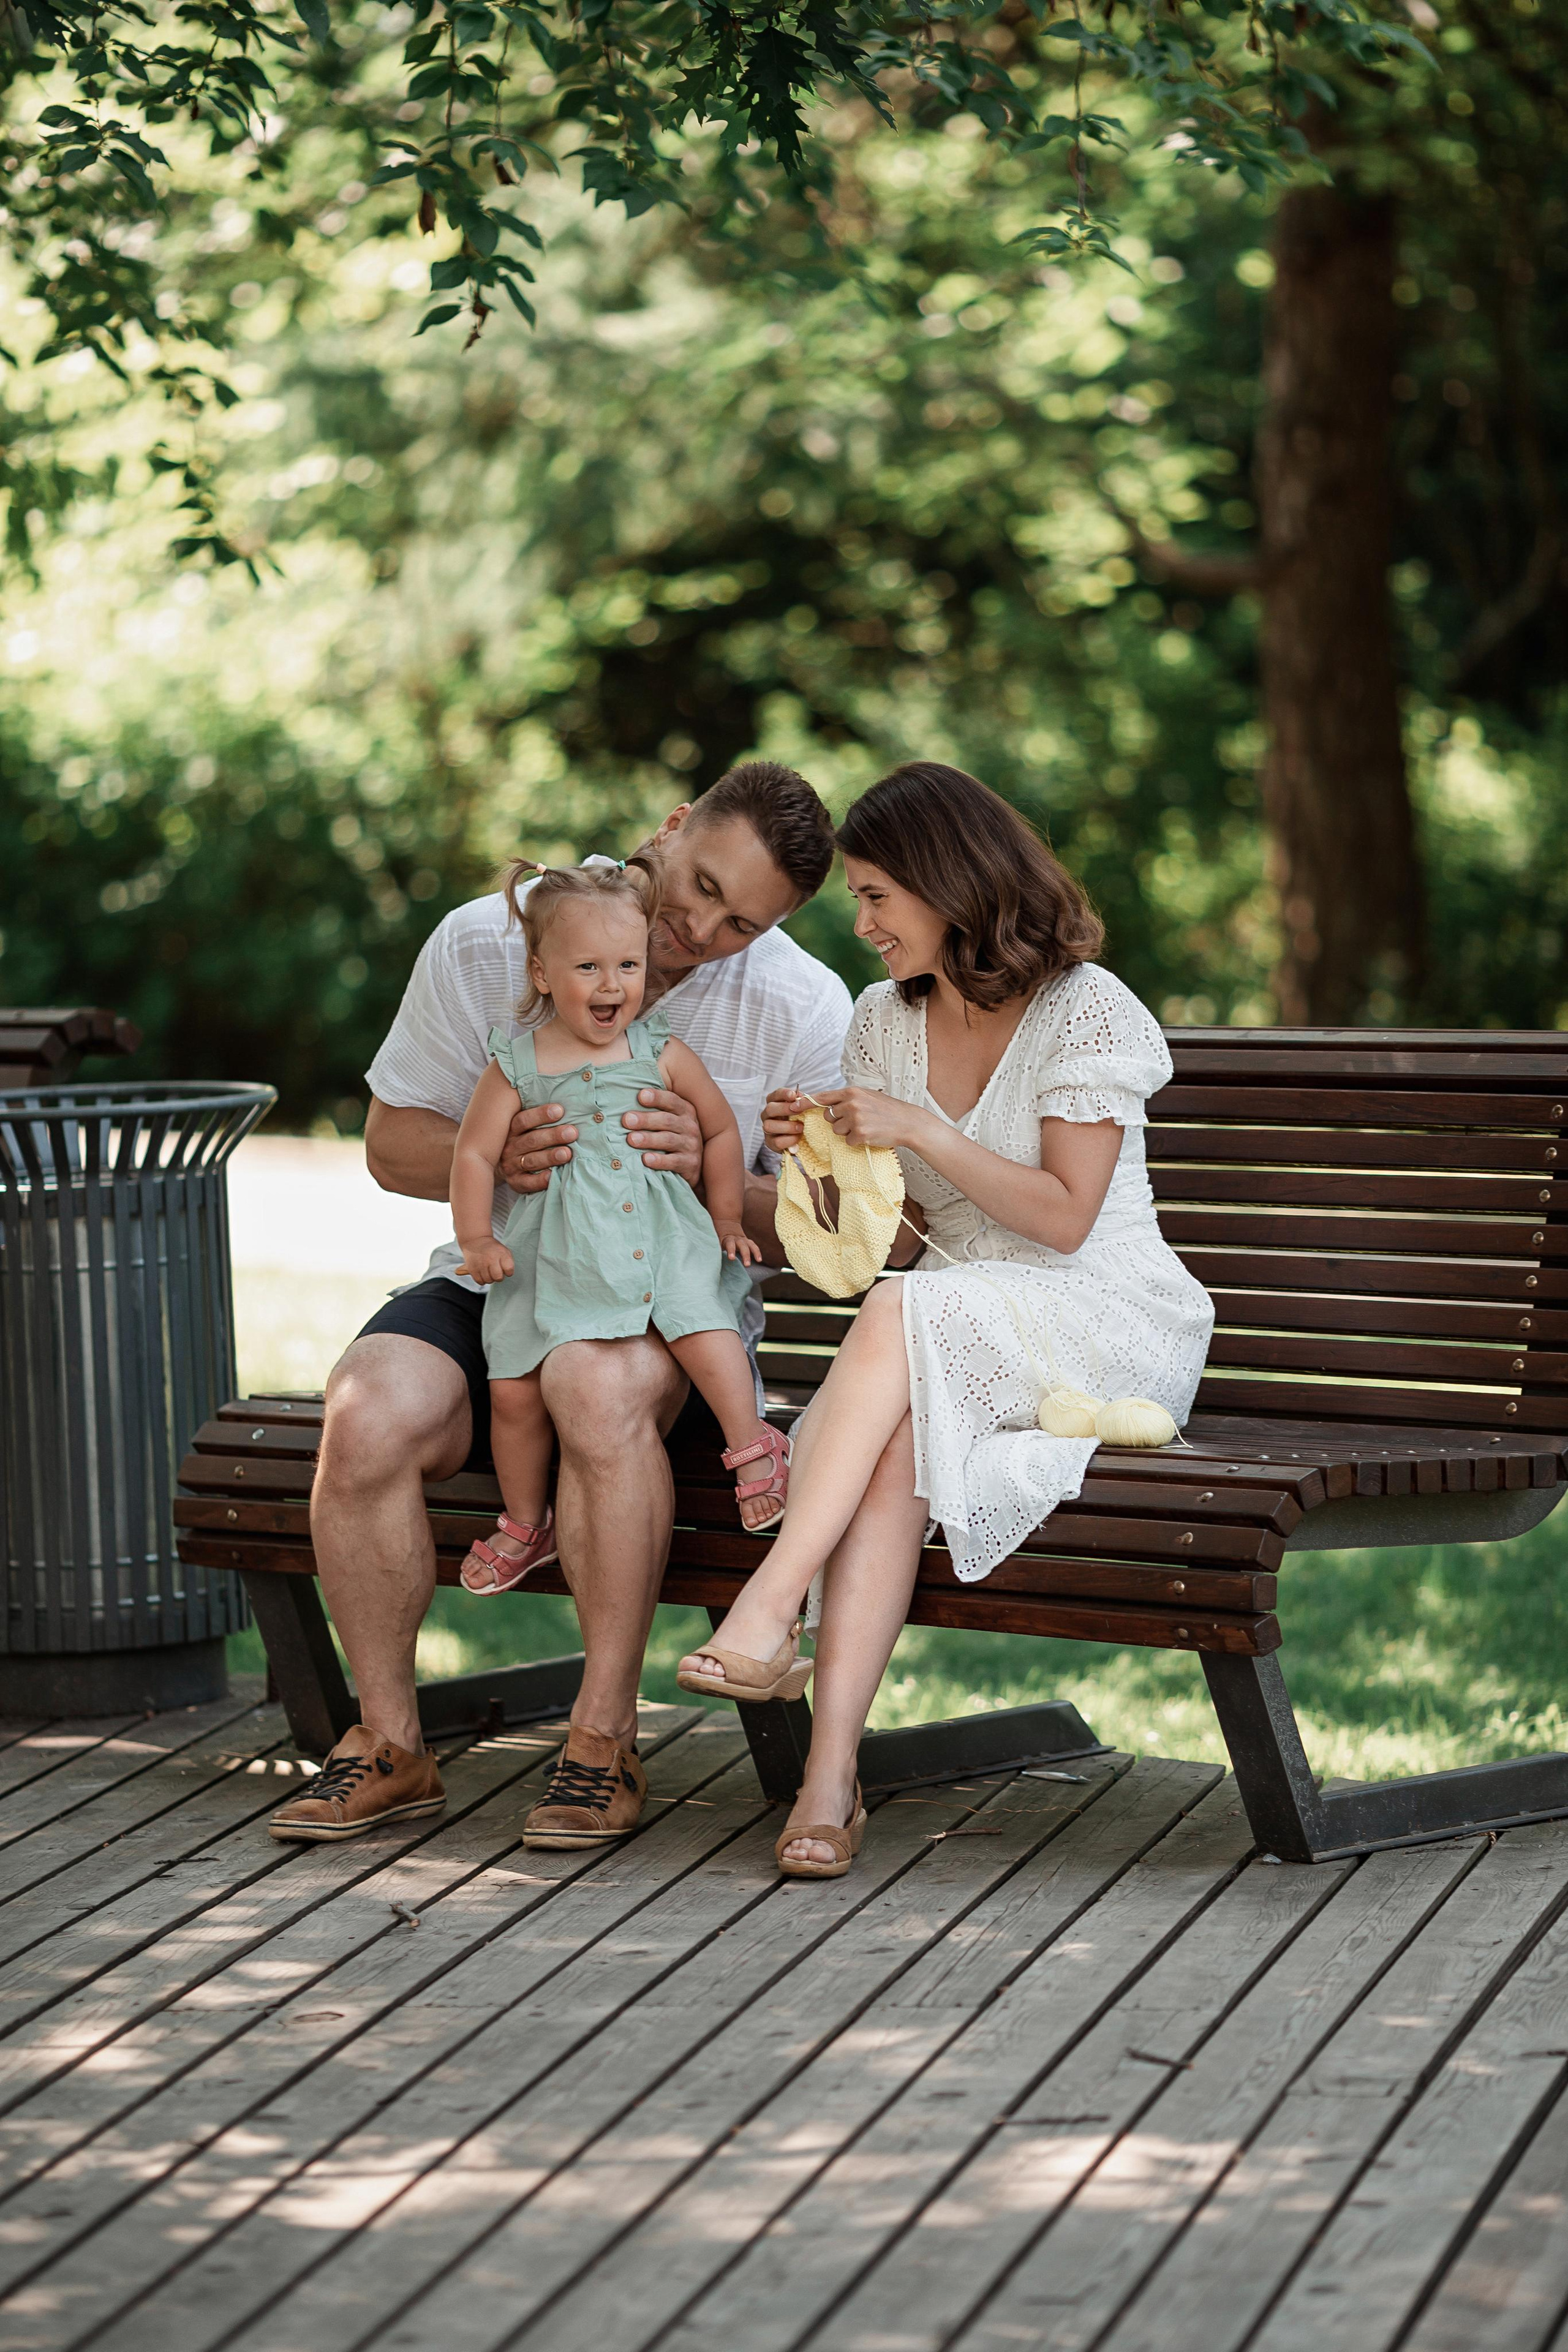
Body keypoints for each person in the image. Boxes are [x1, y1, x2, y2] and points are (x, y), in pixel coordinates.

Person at [269, 762, 847, 1849]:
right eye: (702, 884)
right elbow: (393, 1141)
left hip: (662, 1300)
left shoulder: (802, 1005)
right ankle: (389, 1744)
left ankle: (600, 1743)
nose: (701, 927)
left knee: (597, 1379)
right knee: (370, 1407)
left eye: (740, 923)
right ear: (673, 826)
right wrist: (499, 1154)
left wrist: (722, 1177)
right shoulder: (488, 941)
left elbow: (834, 1232)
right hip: (503, 1278)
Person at [676, 762, 1215, 1879]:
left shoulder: (1085, 1008)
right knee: (893, 1448)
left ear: (946, 881)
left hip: (1106, 1319)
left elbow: (1065, 1221)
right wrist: (821, 1161)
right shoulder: (884, 1021)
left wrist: (919, 1131)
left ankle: (771, 1601)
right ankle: (829, 1787)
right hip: (955, 1318)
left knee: (904, 1317)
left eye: (877, 896)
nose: (863, 924)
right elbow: (903, 1245)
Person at [450, 858, 791, 1615]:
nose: (612, 986)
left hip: (659, 1238)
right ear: (541, 973)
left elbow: (718, 1132)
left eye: (628, 966)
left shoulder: (659, 1049)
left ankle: (754, 1446)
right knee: (511, 1390)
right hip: (556, 1256)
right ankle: (524, 1521)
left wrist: (728, 1217)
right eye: (589, 967)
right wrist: (476, 1237)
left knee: (703, 1326)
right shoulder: (515, 1066)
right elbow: (473, 1154)